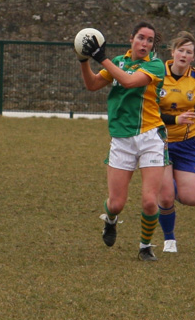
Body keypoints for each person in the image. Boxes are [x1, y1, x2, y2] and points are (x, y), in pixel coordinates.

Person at [77, 21, 168, 261]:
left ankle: (145, 247)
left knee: (150, 201)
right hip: (121, 140)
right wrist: (84, 60)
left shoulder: (156, 66)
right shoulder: (118, 62)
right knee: (116, 203)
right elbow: (92, 84)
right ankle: (110, 220)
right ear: (131, 39)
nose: (145, 43)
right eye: (141, 37)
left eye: (150, 40)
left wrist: (101, 57)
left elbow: (129, 82)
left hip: (150, 138)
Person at [157, 31, 195, 253]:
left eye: (188, 51)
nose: (184, 54)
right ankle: (169, 239)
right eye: (180, 50)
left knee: (191, 198)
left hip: (187, 143)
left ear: (193, 56)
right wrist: (174, 119)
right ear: (172, 53)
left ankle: (165, 190)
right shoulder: (156, 74)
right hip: (158, 143)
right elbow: (148, 110)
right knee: (166, 196)